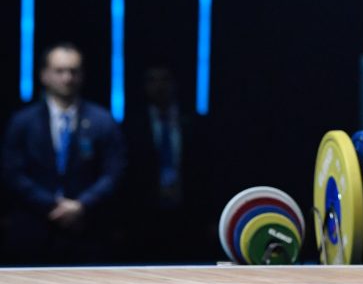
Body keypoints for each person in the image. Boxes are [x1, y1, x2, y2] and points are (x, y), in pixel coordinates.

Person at [1, 42, 126, 264]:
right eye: (59, 71)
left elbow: (114, 171)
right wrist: (51, 204)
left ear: (82, 75)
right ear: (44, 75)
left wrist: (81, 205)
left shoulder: (102, 121)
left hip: (87, 229)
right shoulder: (23, 122)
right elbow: (12, 172)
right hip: (34, 226)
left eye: (73, 71)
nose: (67, 78)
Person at [120, 63, 214, 262]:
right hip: (145, 216)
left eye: (164, 79)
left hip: (188, 214)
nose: (159, 86)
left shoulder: (194, 122)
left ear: (174, 84)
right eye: (153, 80)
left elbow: (208, 171)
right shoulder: (131, 125)